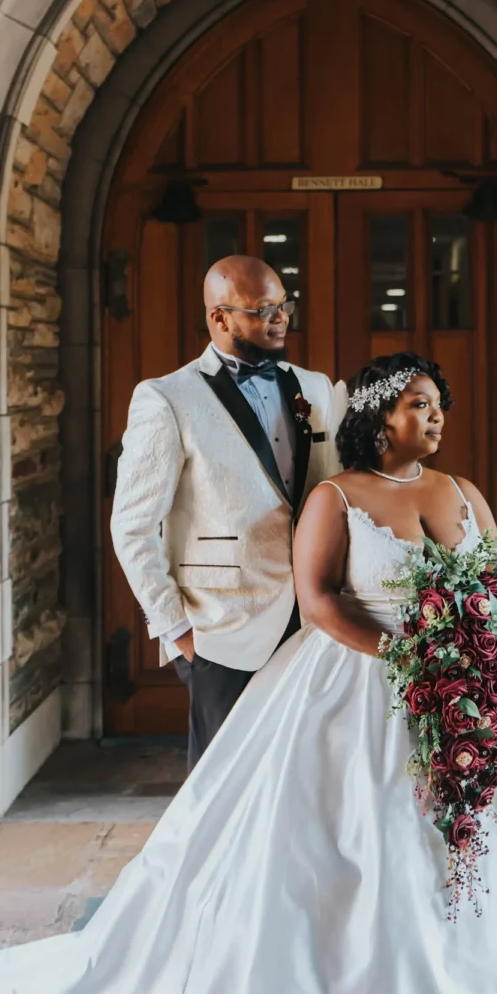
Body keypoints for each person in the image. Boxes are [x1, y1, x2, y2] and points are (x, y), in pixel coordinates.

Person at [0, 352, 497, 994]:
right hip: (360, 681)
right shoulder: (335, 496)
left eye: (438, 405)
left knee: (489, 839)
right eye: (419, 405)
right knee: (355, 843)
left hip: (469, 691)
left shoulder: (461, 491)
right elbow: (320, 600)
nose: (435, 419)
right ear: (378, 416)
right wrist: (411, 660)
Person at [109, 253, 343, 767]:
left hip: (312, 620)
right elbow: (131, 528)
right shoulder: (166, 398)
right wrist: (177, 631)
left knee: (303, 775)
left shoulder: (316, 388)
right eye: (263, 310)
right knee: (222, 787)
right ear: (220, 318)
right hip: (221, 628)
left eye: (284, 306)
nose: (279, 318)